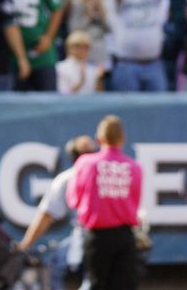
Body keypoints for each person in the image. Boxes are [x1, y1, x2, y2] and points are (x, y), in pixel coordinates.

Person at [67, 115, 142, 290]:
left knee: (96, 283)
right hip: (125, 235)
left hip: (96, 236)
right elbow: (135, 201)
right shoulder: (134, 167)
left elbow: (73, 200)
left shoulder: (85, 163)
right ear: (122, 139)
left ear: (99, 139)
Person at [19, 135, 98, 290]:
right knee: (54, 261)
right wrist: (25, 245)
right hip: (89, 237)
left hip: (97, 238)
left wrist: (24, 245)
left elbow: (46, 217)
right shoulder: (68, 179)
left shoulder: (73, 178)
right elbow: (46, 215)